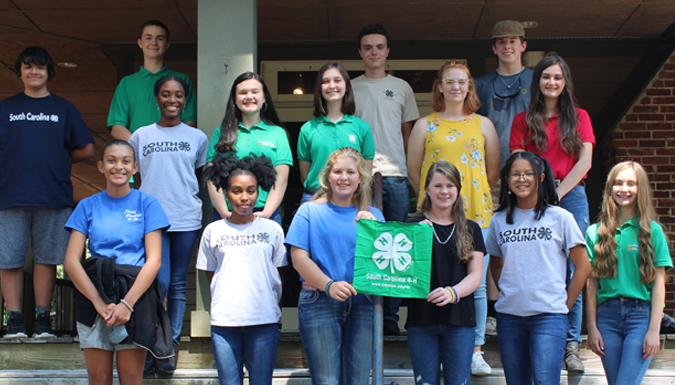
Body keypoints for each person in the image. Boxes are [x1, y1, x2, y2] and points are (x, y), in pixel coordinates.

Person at [407, 59, 499, 375]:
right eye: (449, 81)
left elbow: (493, 169)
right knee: (432, 274)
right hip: (435, 213)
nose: (456, 87)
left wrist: (466, 196)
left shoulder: (484, 124)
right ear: (440, 86)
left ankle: (474, 349)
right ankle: (431, 338)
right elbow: (415, 169)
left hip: (475, 212)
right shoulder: (424, 125)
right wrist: (438, 199)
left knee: (478, 283)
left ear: (469, 86)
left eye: (462, 81)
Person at [0, 46, 94, 339]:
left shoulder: (63, 108)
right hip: (10, 194)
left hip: (53, 194)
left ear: (48, 72)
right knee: (9, 259)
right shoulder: (5, 108)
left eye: (39, 67)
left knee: (47, 259)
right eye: (28, 67)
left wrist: (59, 159)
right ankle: (13, 320)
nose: (34, 72)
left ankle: (43, 322)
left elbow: (88, 148)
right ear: (20, 73)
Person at [509, 54, 595, 372]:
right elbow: (519, 163)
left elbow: (584, 163)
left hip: (571, 196)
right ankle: (540, 331)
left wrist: (555, 194)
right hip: (533, 197)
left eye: (558, 77)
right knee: (539, 264)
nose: (552, 82)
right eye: (546, 77)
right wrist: (540, 193)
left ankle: (571, 342)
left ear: (565, 82)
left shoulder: (580, 117)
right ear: (538, 82)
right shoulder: (523, 120)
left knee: (574, 269)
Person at [63, 140, 171, 385]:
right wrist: (98, 302)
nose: (118, 167)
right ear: (101, 166)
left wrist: (126, 304)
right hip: (95, 292)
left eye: (125, 161)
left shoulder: (147, 204)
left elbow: (154, 261)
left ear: (135, 167)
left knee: (131, 380)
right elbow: (71, 261)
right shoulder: (86, 205)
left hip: (136, 296)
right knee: (98, 379)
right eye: (111, 160)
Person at [487, 151, 592, 385]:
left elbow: (583, 267)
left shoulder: (560, 217)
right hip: (509, 316)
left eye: (528, 174)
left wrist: (563, 306)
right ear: (507, 180)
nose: (521, 179)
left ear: (541, 177)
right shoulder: (499, 220)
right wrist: (510, 292)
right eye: (515, 174)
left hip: (549, 316)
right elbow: (496, 264)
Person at [128, 76, 208, 374]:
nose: (172, 99)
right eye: (165, 94)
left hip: (186, 216)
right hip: (151, 220)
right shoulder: (140, 136)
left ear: (185, 100)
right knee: (153, 283)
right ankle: (151, 342)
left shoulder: (197, 137)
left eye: (178, 95)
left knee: (176, 285)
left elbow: (200, 177)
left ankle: (167, 347)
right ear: (157, 98)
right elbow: (133, 179)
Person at [285, 147, 384, 385]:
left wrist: (373, 232)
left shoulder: (374, 216)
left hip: (363, 301)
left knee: (358, 380)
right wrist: (328, 285)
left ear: (360, 178)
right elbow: (298, 258)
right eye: (338, 171)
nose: (344, 177)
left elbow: (382, 265)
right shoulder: (309, 211)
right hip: (319, 300)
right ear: (328, 176)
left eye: (351, 172)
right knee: (326, 381)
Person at [353, 23, 420, 335]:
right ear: (360, 52)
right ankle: (363, 313)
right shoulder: (350, 87)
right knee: (363, 245)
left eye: (379, 46)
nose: (374, 52)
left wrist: (408, 170)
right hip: (358, 175)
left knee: (395, 246)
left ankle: (391, 319)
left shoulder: (402, 87)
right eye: (368, 47)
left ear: (387, 51)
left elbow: (408, 135)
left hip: (394, 175)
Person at [197, 153, 286, 385]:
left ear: (259, 192)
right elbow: (212, 274)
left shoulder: (272, 229)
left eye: (251, 190)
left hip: (264, 321)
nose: (244, 197)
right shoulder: (213, 231)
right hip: (225, 322)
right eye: (236, 190)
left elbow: (277, 273)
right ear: (226, 192)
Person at [586, 161, 672, 385]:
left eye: (631, 183)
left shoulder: (653, 231)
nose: (624, 189)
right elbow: (592, 284)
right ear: (609, 188)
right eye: (618, 183)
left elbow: (659, 282)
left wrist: (654, 330)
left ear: (640, 188)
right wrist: (592, 327)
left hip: (640, 316)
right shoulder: (594, 232)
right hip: (606, 318)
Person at [405, 161, 486, 385]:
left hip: (460, 322)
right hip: (421, 321)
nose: (444, 191)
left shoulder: (471, 229)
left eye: (450, 185)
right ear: (427, 190)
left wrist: (453, 292)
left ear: (458, 190)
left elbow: (476, 275)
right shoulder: (411, 225)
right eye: (438, 185)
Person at [206, 72, 292, 227]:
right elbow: (212, 179)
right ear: (234, 99)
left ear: (264, 97)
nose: (249, 96)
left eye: (255, 92)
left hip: (265, 212)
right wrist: (225, 213)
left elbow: (281, 179)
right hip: (227, 213)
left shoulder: (278, 133)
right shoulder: (221, 133)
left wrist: (266, 213)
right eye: (243, 92)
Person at [298, 62, 375, 203]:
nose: (332, 86)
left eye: (337, 80)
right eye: (325, 81)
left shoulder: (362, 128)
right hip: (315, 197)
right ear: (319, 88)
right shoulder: (307, 129)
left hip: (351, 198)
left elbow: (366, 174)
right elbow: (305, 176)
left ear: (346, 87)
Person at [108, 20, 197, 142]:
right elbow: (117, 127)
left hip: (173, 152)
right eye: (148, 38)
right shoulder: (126, 83)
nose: (154, 43)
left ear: (167, 44)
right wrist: (141, 148)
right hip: (138, 155)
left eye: (159, 38)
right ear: (140, 43)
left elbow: (190, 121)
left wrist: (172, 146)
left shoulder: (182, 80)